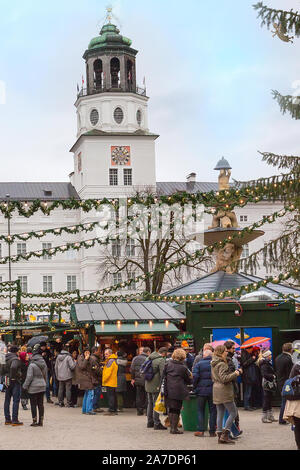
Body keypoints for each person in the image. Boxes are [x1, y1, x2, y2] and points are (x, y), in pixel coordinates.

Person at [211, 345, 242, 445]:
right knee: (233, 412)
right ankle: (225, 435)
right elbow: (224, 378)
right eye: (225, 351)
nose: (227, 352)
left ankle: (220, 435)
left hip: (216, 388)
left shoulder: (213, 363)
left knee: (220, 412)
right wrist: (236, 373)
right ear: (221, 352)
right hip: (224, 390)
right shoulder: (222, 364)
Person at [164, 348, 192, 434]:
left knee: (171, 408)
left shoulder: (167, 364)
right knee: (176, 409)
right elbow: (188, 380)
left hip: (168, 389)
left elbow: (163, 377)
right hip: (178, 390)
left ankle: (172, 427)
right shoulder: (183, 367)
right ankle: (174, 429)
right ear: (183, 356)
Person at [193, 348, 217, 437]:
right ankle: (212, 431)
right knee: (213, 411)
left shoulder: (199, 364)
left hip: (201, 391)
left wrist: (195, 387)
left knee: (200, 410)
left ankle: (200, 430)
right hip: (213, 390)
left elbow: (195, 377)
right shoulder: (215, 364)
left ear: (204, 356)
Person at [23, 344, 48, 427]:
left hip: (33, 387)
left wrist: (25, 386)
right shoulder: (43, 363)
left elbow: (29, 377)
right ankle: (41, 421)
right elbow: (45, 375)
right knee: (41, 404)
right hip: (42, 385)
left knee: (33, 404)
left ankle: (34, 420)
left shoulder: (32, 365)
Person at [145, 347, 168, 430]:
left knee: (150, 403)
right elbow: (163, 374)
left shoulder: (149, 357)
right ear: (164, 353)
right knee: (156, 404)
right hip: (156, 384)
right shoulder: (161, 360)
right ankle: (156, 423)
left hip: (148, 383)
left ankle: (149, 422)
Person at [223, 340, 243, 439]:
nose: (234, 350)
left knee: (228, 412)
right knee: (230, 412)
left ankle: (233, 431)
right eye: (233, 348)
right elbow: (228, 377)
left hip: (224, 389)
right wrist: (237, 372)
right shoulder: (228, 360)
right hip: (227, 389)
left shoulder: (228, 359)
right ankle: (226, 433)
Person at [3, 345, 23, 426]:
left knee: (7, 400)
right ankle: (15, 419)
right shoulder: (15, 359)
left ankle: (7, 419)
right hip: (14, 381)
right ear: (16, 351)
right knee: (16, 400)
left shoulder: (5, 358)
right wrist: (14, 377)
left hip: (6, 379)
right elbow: (13, 367)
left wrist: (5, 377)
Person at [275, 343, 294, 425]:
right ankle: (282, 419)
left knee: (284, 401)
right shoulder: (288, 359)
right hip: (287, 383)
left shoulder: (278, 358)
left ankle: (283, 418)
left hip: (280, 382)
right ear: (290, 349)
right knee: (285, 401)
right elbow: (290, 373)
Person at [283, 361, 300, 450]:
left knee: (298, 426)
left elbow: (290, 382)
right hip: (297, 402)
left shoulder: (296, 365)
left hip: (294, 401)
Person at [130, 347, 151, 416]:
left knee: (139, 396)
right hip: (146, 380)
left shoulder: (135, 358)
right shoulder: (148, 358)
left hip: (138, 380)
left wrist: (133, 378)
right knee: (147, 395)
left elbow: (132, 369)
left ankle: (139, 411)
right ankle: (146, 410)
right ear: (148, 352)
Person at [258, 350, 278, 423]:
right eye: (270, 355)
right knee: (266, 399)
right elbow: (264, 374)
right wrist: (273, 376)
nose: (271, 356)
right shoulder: (264, 364)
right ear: (266, 356)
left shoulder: (267, 363)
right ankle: (264, 417)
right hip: (267, 384)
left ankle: (270, 416)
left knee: (269, 399)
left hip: (269, 383)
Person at [77, 348, 97, 415]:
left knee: (87, 393)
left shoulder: (91, 359)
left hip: (89, 378)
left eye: (88, 352)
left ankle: (85, 410)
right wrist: (86, 359)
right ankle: (89, 410)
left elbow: (94, 366)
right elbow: (82, 366)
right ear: (83, 352)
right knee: (91, 393)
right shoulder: (81, 358)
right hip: (84, 378)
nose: (87, 354)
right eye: (86, 352)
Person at [240, 346, 259, 411]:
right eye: (251, 349)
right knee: (248, 391)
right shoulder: (244, 354)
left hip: (250, 376)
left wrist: (255, 357)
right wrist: (252, 359)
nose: (252, 350)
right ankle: (246, 405)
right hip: (247, 376)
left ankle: (249, 405)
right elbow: (244, 364)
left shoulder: (249, 354)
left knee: (250, 391)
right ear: (248, 349)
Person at [102, 349, 118, 416]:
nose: (105, 355)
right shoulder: (114, 360)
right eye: (105, 354)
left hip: (109, 381)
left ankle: (111, 410)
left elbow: (108, 373)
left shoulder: (110, 361)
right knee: (113, 396)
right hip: (113, 381)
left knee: (110, 396)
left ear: (110, 354)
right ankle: (114, 409)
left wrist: (104, 380)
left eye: (106, 354)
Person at [90, 346, 104, 413]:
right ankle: (95, 407)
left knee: (97, 393)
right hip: (96, 379)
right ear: (95, 351)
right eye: (99, 351)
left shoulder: (95, 358)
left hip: (96, 378)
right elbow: (96, 369)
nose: (100, 352)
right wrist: (102, 371)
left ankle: (96, 407)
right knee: (96, 393)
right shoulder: (94, 359)